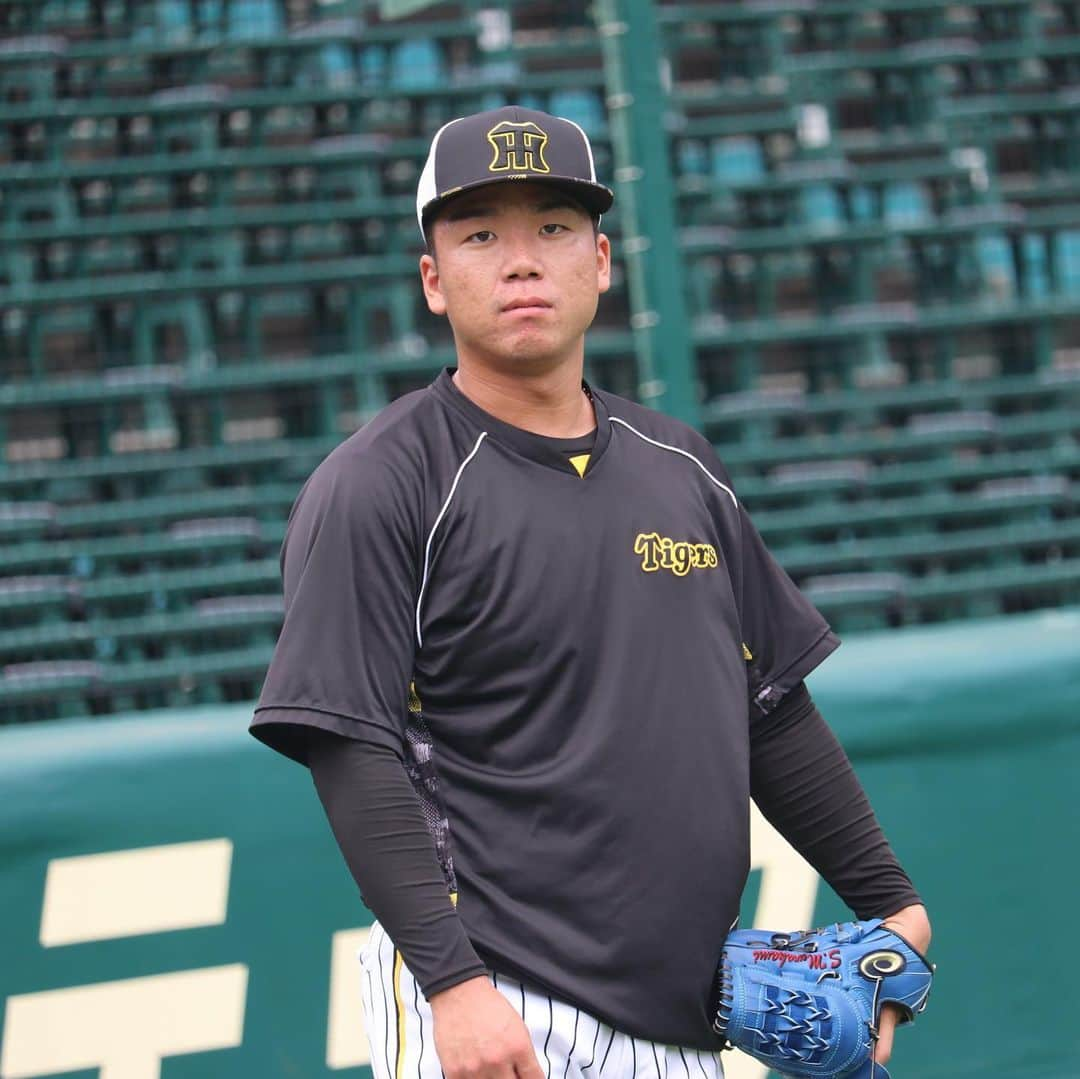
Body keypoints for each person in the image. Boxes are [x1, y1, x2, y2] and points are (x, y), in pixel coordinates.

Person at [250, 105, 931, 1079]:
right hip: (497, 1000)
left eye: (554, 229)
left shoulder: (681, 467)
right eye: (481, 234)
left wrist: (887, 896)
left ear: (602, 262)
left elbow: (770, 706)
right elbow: (349, 744)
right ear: (435, 281)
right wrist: (452, 984)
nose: (521, 260)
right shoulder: (384, 481)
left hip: (687, 1015)